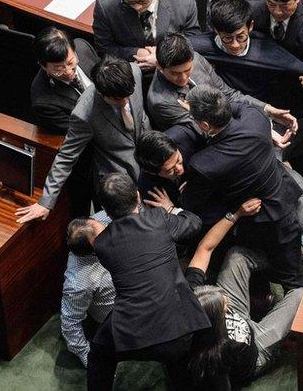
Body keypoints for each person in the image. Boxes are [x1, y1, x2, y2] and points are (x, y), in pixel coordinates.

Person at [183, 86, 303, 288]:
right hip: (282, 193)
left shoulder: (203, 163)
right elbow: (242, 107)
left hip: (261, 220)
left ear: (204, 125)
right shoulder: (256, 119)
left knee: (291, 276)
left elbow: (191, 202)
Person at [200, 0, 303, 210]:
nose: (234, 45)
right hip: (245, 120)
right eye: (227, 39)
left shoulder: (267, 47)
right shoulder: (204, 47)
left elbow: (302, 71)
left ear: (250, 27)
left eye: (240, 37)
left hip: (285, 115)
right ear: (216, 32)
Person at [87, 173, 209, 390]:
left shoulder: (102, 245)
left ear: (105, 211)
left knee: (98, 354)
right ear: (137, 196)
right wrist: (170, 209)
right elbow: (194, 223)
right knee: (179, 363)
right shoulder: (158, 219)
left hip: (129, 336)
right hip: (179, 331)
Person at [16, 57, 151, 224]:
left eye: (127, 96)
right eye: (117, 99)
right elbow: (66, 156)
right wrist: (46, 202)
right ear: (102, 94)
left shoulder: (134, 72)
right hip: (118, 172)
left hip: (148, 159)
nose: (124, 102)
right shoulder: (84, 113)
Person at [184, 204, 303, 388]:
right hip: (257, 346)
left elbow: (205, 248)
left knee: (237, 256)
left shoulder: (191, 298)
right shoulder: (217, 353)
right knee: (300, 294)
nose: (227, 301)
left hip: (238, 317)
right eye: (224, 305)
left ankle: (287, 259)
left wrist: (236, 214)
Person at [146, 32, 296, 138]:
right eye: (175, 73)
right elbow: (206, 131)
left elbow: (227, 94)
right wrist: (259, 129)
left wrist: (266, 109)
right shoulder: (160, 101)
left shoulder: (196, 59)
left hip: (234, 126)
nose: (184, 77)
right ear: (159, 66)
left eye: (187, 70)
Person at [30, 27, 99, 216]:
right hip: (91, 154)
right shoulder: (43, 101)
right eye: (58, 68)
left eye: (70, 62)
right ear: (44, 66)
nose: (68, 72)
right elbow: (81, 132)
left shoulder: (84, 47)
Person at [91, 0, 197, 75]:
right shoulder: (105, 5)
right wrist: (136, 52)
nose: (137, 7)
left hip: (173, 72)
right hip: (129, 71)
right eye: (129, 3)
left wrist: (163, 57)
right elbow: (104, 49)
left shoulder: (184, 2)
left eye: (143, 1)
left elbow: (194, 43)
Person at [61, 214, 115, 368]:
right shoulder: (78, 283)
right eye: (102, 237)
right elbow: (70, 323)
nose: (109, 234)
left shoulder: (100, 221)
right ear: (93, 251)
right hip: (113, 319)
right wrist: (89, 358)